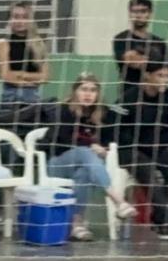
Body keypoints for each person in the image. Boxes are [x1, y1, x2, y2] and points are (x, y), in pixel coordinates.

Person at [27, 73, 137, 241]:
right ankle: (118, 201)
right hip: (58, 163)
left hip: (84, 165)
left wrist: (104, 150)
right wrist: (90, 146)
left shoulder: (101, 113)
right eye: (84, 89)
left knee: (84, 174)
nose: (88, 94)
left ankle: (76, 225)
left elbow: (111, 139)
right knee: (85, 152)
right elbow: (60, 143)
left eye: (93, 90)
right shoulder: (64, 110)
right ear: (75, 91)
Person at [113, 61, 168, 239]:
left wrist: (158, 144)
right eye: (160, 76)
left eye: (167, 76)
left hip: (155, 147)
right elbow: (113, 127)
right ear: (147, 75)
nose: (165, 81)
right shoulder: (129, 97)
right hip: (128, 149)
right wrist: (135, 144)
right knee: (146, 168)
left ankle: (161, 219)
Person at [111, 0, 168, 96]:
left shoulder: (159, 42)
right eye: (135, 11)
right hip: (129, 95)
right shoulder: (121, 38)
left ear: (150, 14)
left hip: (155, 95)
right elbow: (133, 61)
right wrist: (154, 64)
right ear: (129, 14)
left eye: (143, 11)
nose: (138, 15)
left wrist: (146, 61)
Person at [0, 2, 49, 106]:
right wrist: (30, 80)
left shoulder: (38, 44)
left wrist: (20, 75)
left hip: (34, 97)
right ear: (9, 20)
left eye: (24, 17)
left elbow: (45, 76)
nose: (20, 21)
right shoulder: (3, 44)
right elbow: (5, 75)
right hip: (10, 98)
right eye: (16, 17)